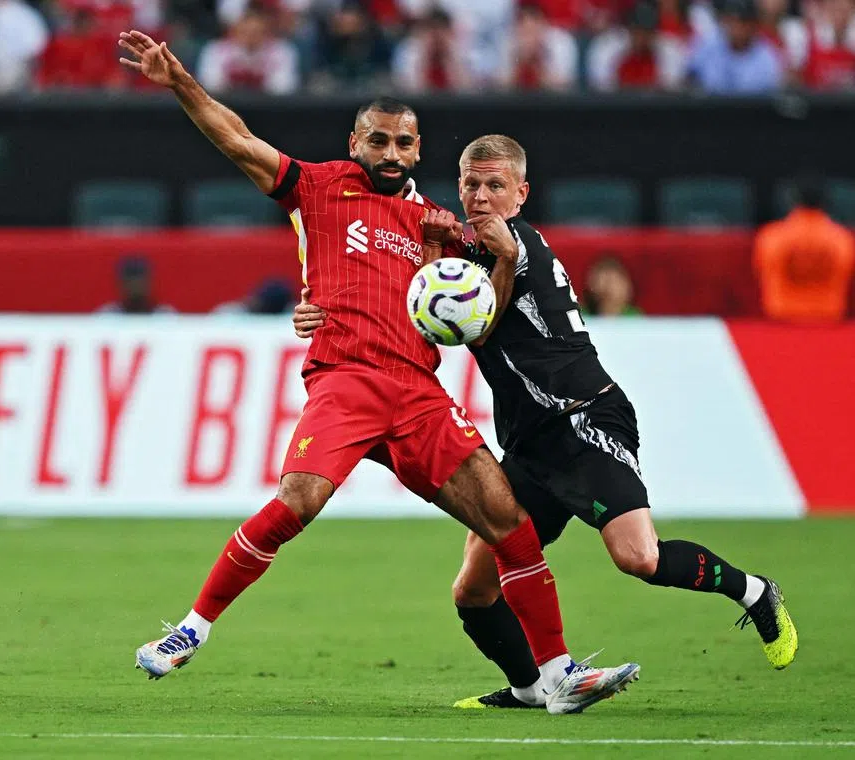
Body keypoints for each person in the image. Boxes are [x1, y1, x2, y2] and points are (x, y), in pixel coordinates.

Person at [117, 30, 638, 715]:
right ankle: (191, 629)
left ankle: (558, 675)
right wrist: (181, 83)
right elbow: (238, 139)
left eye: (403, 142)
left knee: (509, 523)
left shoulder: (437, 226)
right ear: (356, 142)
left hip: (420, 394)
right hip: (347, 379)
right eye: (378, 140)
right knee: (297, 502)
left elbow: (503, 290)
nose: (390, 153)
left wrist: (498, 262)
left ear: (419, 151)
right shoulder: (319, 187)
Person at [294, 134, 798, 710]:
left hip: (585, 421)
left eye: (495, 186)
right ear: (458, 184)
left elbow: (474, 327)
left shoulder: (518, 244)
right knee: (474, 590)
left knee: (639, 558)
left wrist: (452, 250)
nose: (481, 197)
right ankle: (530, 688)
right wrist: (320, 310)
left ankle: (754, 591)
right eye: (471, 184)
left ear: (521, 193)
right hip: (530, 443)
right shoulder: (465, 250)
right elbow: (407, 310)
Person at [754, 174, 855, 324]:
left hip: (782, 321)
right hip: (828, 320)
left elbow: (762, 273)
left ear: (791, 200)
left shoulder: (771, 237)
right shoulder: (842, 239)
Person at [97, 256, 175, 314]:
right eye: (130, 282)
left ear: (149, 283)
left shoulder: (164, 316)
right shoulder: (108, 315)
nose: (135, 286)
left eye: (140, 281)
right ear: (121, 284)